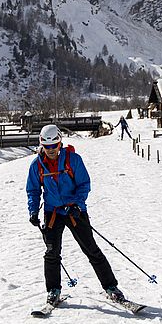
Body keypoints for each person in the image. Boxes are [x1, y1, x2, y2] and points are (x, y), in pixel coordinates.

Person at [27, 124, 123, 307]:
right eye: (46, 147)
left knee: (91, 249)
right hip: (53, 212)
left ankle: (111, 288)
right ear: (41, 145)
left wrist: (77, 205)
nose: (50, 150)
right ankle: (53, 290)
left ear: (60, 143)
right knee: (52, 253)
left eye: (53, 146)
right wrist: (33, 210)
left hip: (74, 211)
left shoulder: (73, 160)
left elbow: (84, 185)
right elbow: (33, 190)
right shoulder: (36, 165)